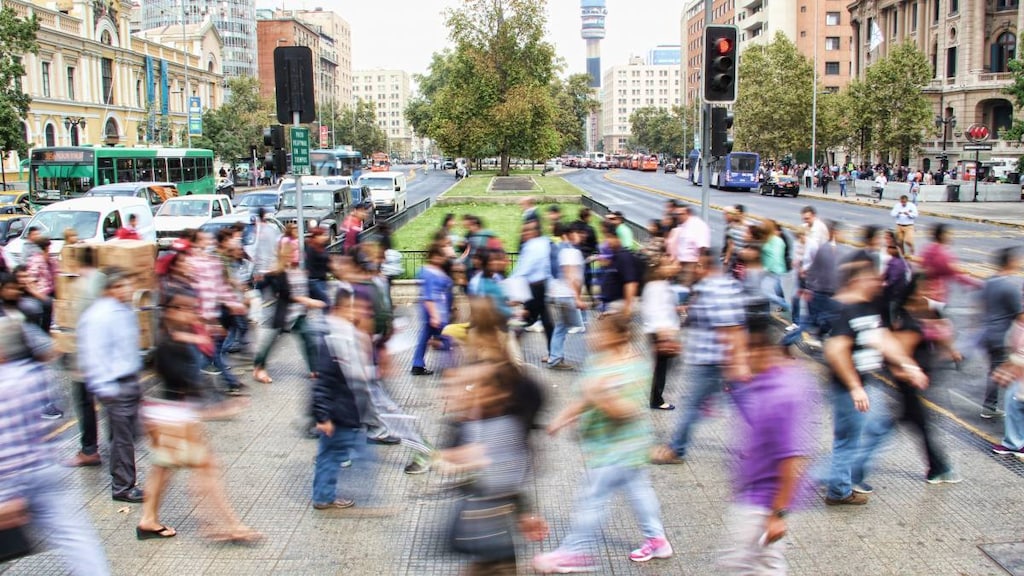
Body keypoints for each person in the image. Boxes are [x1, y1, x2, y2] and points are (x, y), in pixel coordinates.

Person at [533, 309, 673, 573]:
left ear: (617, 336)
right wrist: (562, 419)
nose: (592, 337)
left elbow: (628, 411)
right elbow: (585, 398)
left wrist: (602, 397)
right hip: (617, 447)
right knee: (639, 490)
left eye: (600, 333)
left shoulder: (633, 367)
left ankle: (576, 552)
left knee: (592, 498)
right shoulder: (599, 362)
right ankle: (657, 540)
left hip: (618, 447)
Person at [137, 291, 259, 542]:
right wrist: (219, 408)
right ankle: (227, 525)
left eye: (192, 308)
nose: (191, 313)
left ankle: (148, 520)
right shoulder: (170, 344)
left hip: (166, 415)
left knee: (163, 470)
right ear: (169, 312)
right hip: (174, 418)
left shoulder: (177, 339)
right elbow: (188, 384)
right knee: (206, 469)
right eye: (183, 308)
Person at [0, 317, 111, 575]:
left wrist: (7, 496)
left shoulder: (4, 384)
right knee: (76, 537)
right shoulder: (36, 374)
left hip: (13, 477)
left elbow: (5, 445)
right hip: (48, 469)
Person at [822, 257, 928, 505]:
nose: (879, 282)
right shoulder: (844, 309)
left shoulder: (866, 307)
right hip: (850, 387)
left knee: (877, 428)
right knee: (848, 440)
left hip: (865, 383)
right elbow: (836, 350)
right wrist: (855, 387)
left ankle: (843, 478)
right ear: (859, 280)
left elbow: (883, 339)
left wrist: (909, 365)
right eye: (873, 278)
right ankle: (837, 489)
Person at [718, 310, 816, 574]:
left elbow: (793, 459)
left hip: (763, 503)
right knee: (763, 566)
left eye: (737, 351)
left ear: (756, 349)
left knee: (741, 567)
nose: (733, 358)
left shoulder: (782, 395)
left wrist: (778, 514)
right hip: (755, 495)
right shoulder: (771, 379)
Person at [652, 247, 748, 465]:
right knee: (741, 404)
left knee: (691, 405)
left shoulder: (716, 288)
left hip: (712, 361)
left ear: (704, 266)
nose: (692, 268)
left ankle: (676, 449)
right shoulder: (717, 285)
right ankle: (764, 446)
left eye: (696, 264)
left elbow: (730, 328)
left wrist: (736, 364)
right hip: (713, 360)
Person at [77, 267, 145, 503]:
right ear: (109, 289)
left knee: (127, 435)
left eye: (128, 284)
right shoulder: (99, 316)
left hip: (129, 381)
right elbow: (94, 355)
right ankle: (123, 487)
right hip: (115, 385)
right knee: (122, 439)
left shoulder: (124, 310)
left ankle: (123, 478)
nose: (128, 289)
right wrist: (107, 389)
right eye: (121, 286)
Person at [252, 242, 325, 384]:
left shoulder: (300, 271)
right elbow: (285, 293)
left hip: (298, 314)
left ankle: (314, 369)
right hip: (283, 313)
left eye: (298, 251)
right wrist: (307, 300)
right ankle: (259, 367)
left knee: (308, 338)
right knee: (271, 342)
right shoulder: (278, 272)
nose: (297, 254)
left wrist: (314, 301)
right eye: (293, 251)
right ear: (286, 254)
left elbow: (307, 289)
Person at [62, 247, 107, 467]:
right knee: (108, 401)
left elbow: (81, 326)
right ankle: (118, 444)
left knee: (84, 402)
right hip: (106, 357)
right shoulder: (104, 280)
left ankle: (89, 450)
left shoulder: (81, 285)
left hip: (88, 358)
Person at [980, 247, 1023, 419]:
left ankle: (989, 406)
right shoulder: (1010, 287)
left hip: (988, 332)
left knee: (996, 370)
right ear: (1010, 262)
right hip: (1002, 336)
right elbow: (1021, 316)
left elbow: (982, 306)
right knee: (1006, 372)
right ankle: (994, 407)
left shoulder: (990, 281)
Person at [642, 255, 681, 411]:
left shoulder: (656, 285)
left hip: (660, 331)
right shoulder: (657, 286)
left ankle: (656, 396)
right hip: (659, 333)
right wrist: (663, 335)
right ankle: (656, 399)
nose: (671, 266)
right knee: (661, 368)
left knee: (663, 366)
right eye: (667, 265)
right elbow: (655, 312)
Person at [509, 219, 554, 355]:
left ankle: (509, 348)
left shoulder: (533, 245)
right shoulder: (544, 242)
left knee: (529, 319)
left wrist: (510, 284)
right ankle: (554, 353)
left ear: (535, 231)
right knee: (541, 320)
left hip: (535, 288)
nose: (524, 233)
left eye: (528, 230)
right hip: (538, 287)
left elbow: (523, 268)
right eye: (524, 230)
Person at [545, 223, 585, 370]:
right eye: (577, 233)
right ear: (568, 235)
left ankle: (555, 358)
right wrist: (577, 298)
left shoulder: (559, 249)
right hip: (567, 295)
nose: (580, 236)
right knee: (578, 327)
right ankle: (558, 358)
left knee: (561, 326)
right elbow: (571, 275)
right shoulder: (570, 251)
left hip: (557, 293)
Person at [411, 242, 453, 376]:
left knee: (425, 337)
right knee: (446, 338)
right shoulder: (430, 273)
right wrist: (435, 315)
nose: (443, 259)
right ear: (434, 256)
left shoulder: (432, 271)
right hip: (436, 311)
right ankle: (447, 366)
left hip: (437, 310)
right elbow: (429, 296)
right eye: (441, 256)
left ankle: (418, 364)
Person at [598, 220, 640, 317]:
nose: (607, 241)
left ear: (617, 238)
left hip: (620, 305)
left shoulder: (624, 257)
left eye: (609, 237)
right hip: (614, 305)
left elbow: (631, 282)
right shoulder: (616, 256)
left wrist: (627, 307)